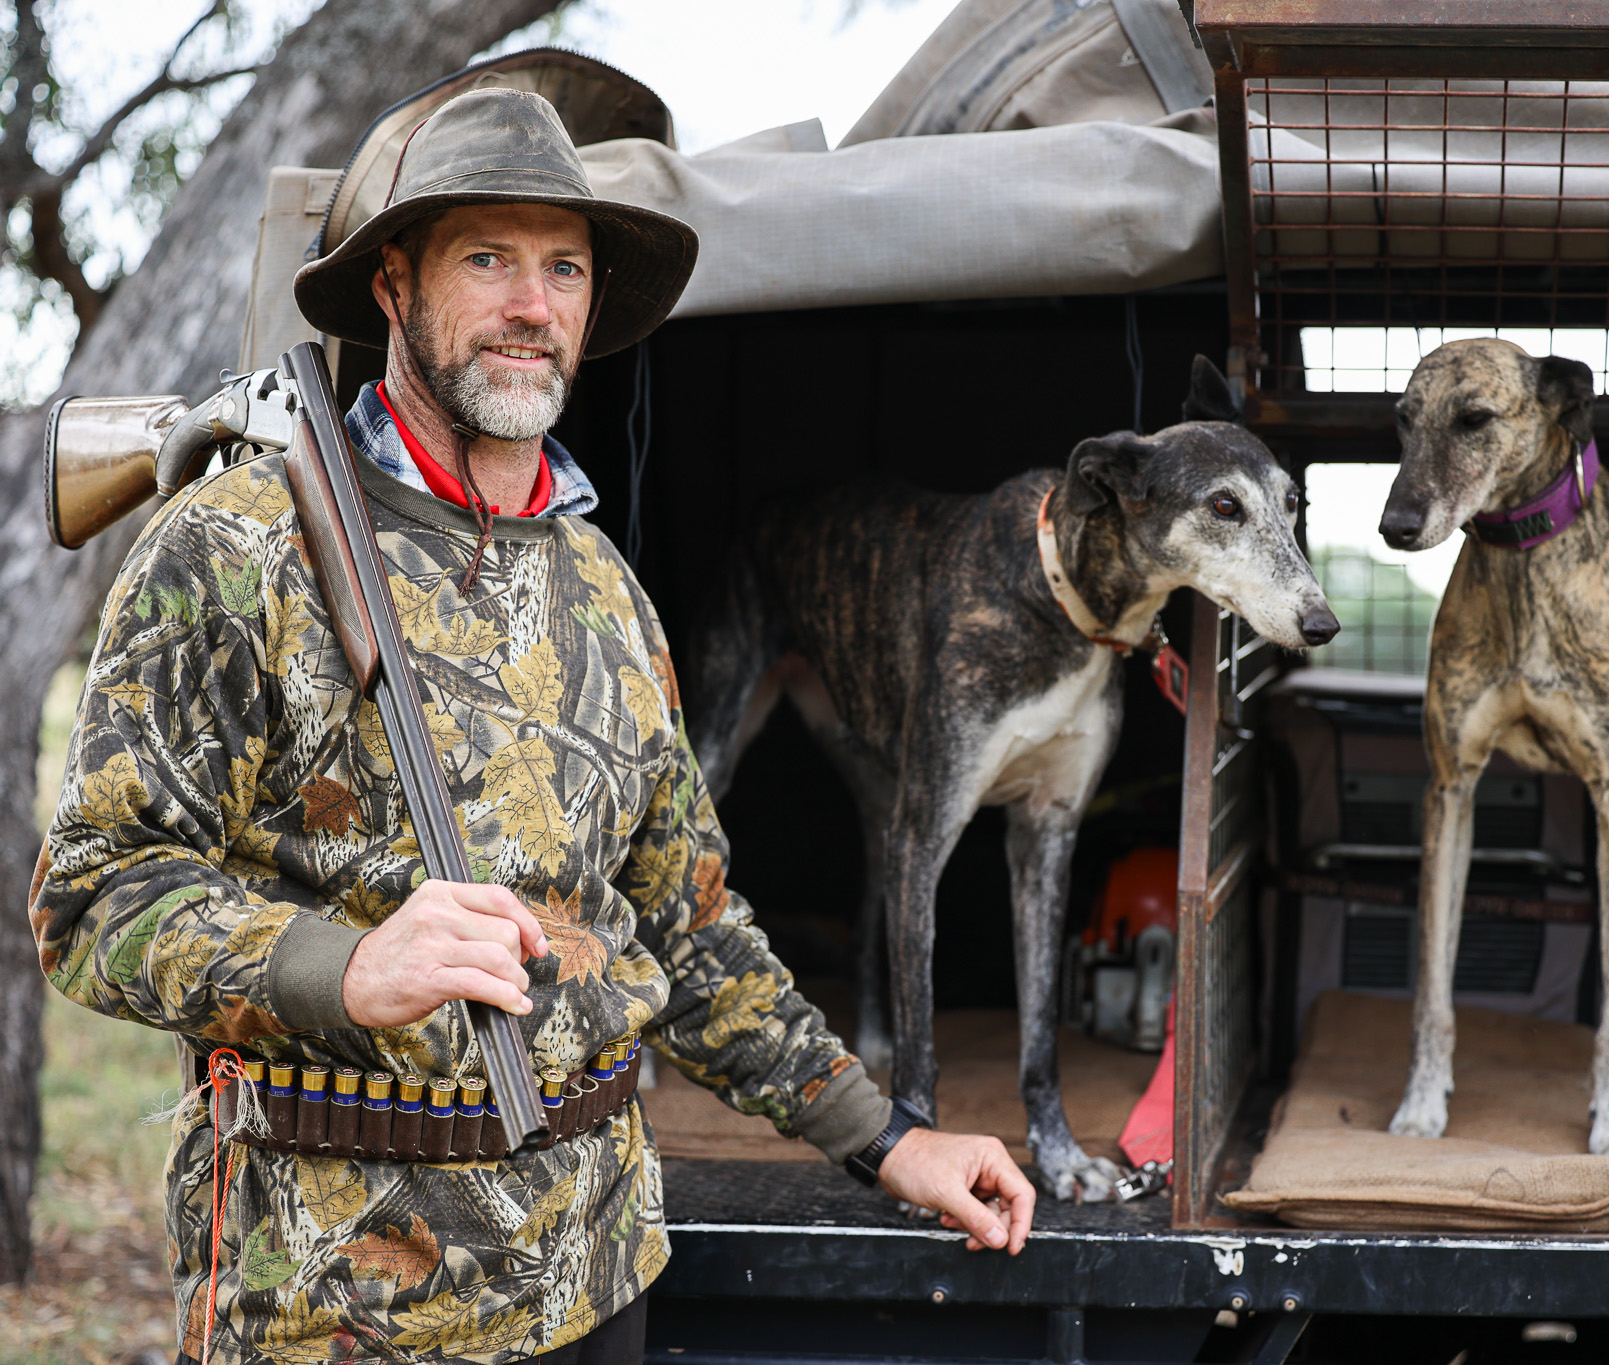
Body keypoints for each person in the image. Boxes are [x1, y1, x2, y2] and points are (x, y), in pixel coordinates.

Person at [30, 86, 1035, 1365]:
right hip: (333, 1302)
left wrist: (882, 1136)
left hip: (599, 1265)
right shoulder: (236, 548)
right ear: (393, 286)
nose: (532, 304)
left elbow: (686, 918)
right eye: (487, 257)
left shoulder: (600, 585)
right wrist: (339, 968)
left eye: (564, 267)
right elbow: (94, 895)